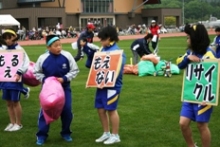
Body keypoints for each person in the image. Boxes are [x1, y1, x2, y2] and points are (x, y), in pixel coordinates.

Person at [34, 35, 79, 146]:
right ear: (49, 47)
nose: (59, 48)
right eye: (56, 46)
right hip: (48, 90)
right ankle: (42, 135)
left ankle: (66, 132)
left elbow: (75, 70)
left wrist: (64, 79)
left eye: (60, 45)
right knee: (45, 111)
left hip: (64, 88)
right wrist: (45, 80)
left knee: (67, 110)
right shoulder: (42, 58)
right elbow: (36, 72)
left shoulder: (67, 55)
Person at [176, 24, 216, 147]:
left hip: (204, 97)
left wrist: (210, 97)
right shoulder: (190, 52)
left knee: (201, 125)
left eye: (189, 37)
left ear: (196, 38)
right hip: (190, 95)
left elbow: (215, 77)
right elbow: (179, 65)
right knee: (183, 123)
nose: (187, 40)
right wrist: (188, 58)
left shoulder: (209, 55)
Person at [94, 26, 126, 145]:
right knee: (101, 109)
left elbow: (116, 71)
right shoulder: (102, 50)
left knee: (111, 110)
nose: (101, 41)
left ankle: (115, 135)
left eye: (102, 39)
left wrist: (106, 81)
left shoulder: (117, 52)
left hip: (112, 87)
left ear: (109, 38)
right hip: (101, 85)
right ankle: (106, 132)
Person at [0, 29, 30, 131]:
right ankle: (12, 122)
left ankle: (18, 123)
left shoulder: (19, 49)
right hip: (4, 79)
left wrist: (19, 72)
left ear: (14, 37)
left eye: (10, 37)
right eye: (5, 38)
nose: (8, 40)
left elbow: (26, 62)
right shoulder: (3, 49)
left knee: (15, 102)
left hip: (15, 80)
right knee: (8, 102)